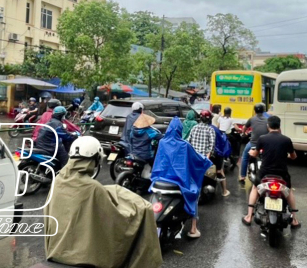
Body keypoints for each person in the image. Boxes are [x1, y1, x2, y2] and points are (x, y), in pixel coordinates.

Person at [44, 136, 163, 268]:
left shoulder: (58, 181)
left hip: (57, 251)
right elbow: (114, 219)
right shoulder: (92, 188)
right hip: (83, 256)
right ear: (94, 159)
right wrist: (139, 212)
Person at [151, 117, 214, 243]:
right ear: (180, 130)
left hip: (159, 179)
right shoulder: (184, 145)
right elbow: (197, 159)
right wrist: (207, 162)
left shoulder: (162, 142)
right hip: (180, 182)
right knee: (195, 192)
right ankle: (193, 229)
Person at [242, 115, 301, 229]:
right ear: (279, 126)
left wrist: (252, 153)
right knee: (289, 190)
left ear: (268, 126)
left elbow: (255, 154)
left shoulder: (262, 139)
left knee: (255, 188)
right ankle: (294, 220)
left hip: (265, 172)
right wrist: (288, 155)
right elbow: (294, 156)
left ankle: (249, 216)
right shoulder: (286, 139)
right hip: (282, 173)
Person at [32, 106, 73, 171]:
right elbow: (65, 135)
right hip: (49, 146)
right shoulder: (57, 124)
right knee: (65, 158)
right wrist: (74, 136)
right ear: (61, 115)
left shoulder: (51, 121)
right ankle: (64, 174)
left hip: (41, 144)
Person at [238, 103, 270, 183]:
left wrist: (243, 133)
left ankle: (242, 177)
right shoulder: (268, 120)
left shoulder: (251, 119)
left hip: (253, 144)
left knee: (245, 157)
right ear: (263, 110)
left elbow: (244, 128)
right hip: (265, 144)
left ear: (255, 111)